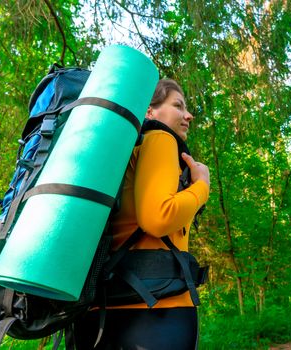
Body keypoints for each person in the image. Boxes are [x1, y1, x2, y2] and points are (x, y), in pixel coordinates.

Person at [74, 79, 210, 349]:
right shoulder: (160, 138)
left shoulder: (120, 156)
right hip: (156, 309)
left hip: (96, 312)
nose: (188, 115)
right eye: (178, 105)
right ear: (150, 112)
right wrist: (201, 186)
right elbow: (158, 218)